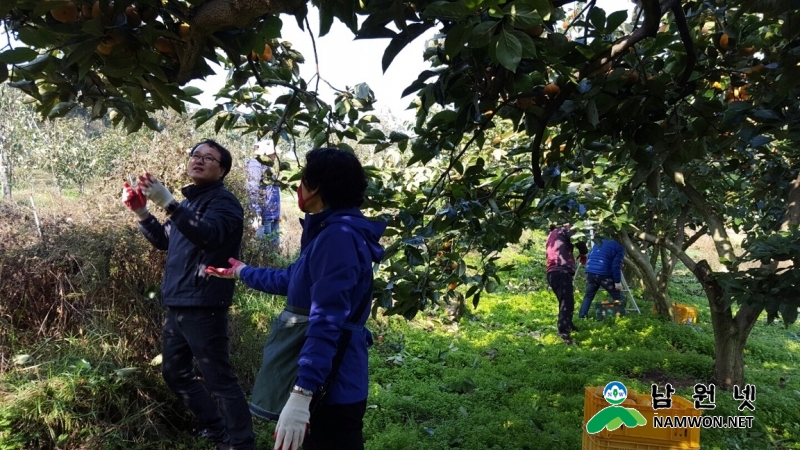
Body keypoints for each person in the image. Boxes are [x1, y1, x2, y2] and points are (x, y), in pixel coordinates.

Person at [207, 147, 386, 450]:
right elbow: (295, 280)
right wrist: (243, 272)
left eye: (304, 179)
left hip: (332, 387)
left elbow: (327, 318)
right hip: (331, 381)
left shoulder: (338, 236)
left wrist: (303, 393)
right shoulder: (332, 231)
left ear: (316, 187)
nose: (300, 187)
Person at [121, 139, 256, 450]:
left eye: (209, 158)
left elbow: (209, 236)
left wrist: (169, 203)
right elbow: (164, 239)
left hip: (204, 303)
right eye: (196, 155)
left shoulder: (224, 203)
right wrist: (142, 210)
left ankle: (241, 443)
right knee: (175, 372)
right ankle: (215, 428)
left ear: (221, 171)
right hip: (178, 303)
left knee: (219, 379)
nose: (199, 160)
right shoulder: (191, 204)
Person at [545, 223, 588, 345]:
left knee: (564, 300)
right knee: (567, 302)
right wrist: (584, 252)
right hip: (561, 271)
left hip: (552, 272)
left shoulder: (553, 233)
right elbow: (580, 242)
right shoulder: (566, 230)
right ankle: (563, 333)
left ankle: (568, 324)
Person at [578, 237, 626, 319]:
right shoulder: (620, 247)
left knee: (588, 296)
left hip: (590, 271)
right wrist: (617, 282)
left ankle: (582, 317)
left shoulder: (600, 241)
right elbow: (616, 266)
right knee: (617, 296)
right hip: (603, 273)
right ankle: (620, 318)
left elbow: (590, 256)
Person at [246, 140, 282, 245]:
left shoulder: (268, 167)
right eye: (273, 153)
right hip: (264, 216)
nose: (275, 156)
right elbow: (253, 189)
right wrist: (256, 214)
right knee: (264, 249)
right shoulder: (255, 164)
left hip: (272, 215)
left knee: (273, 250)